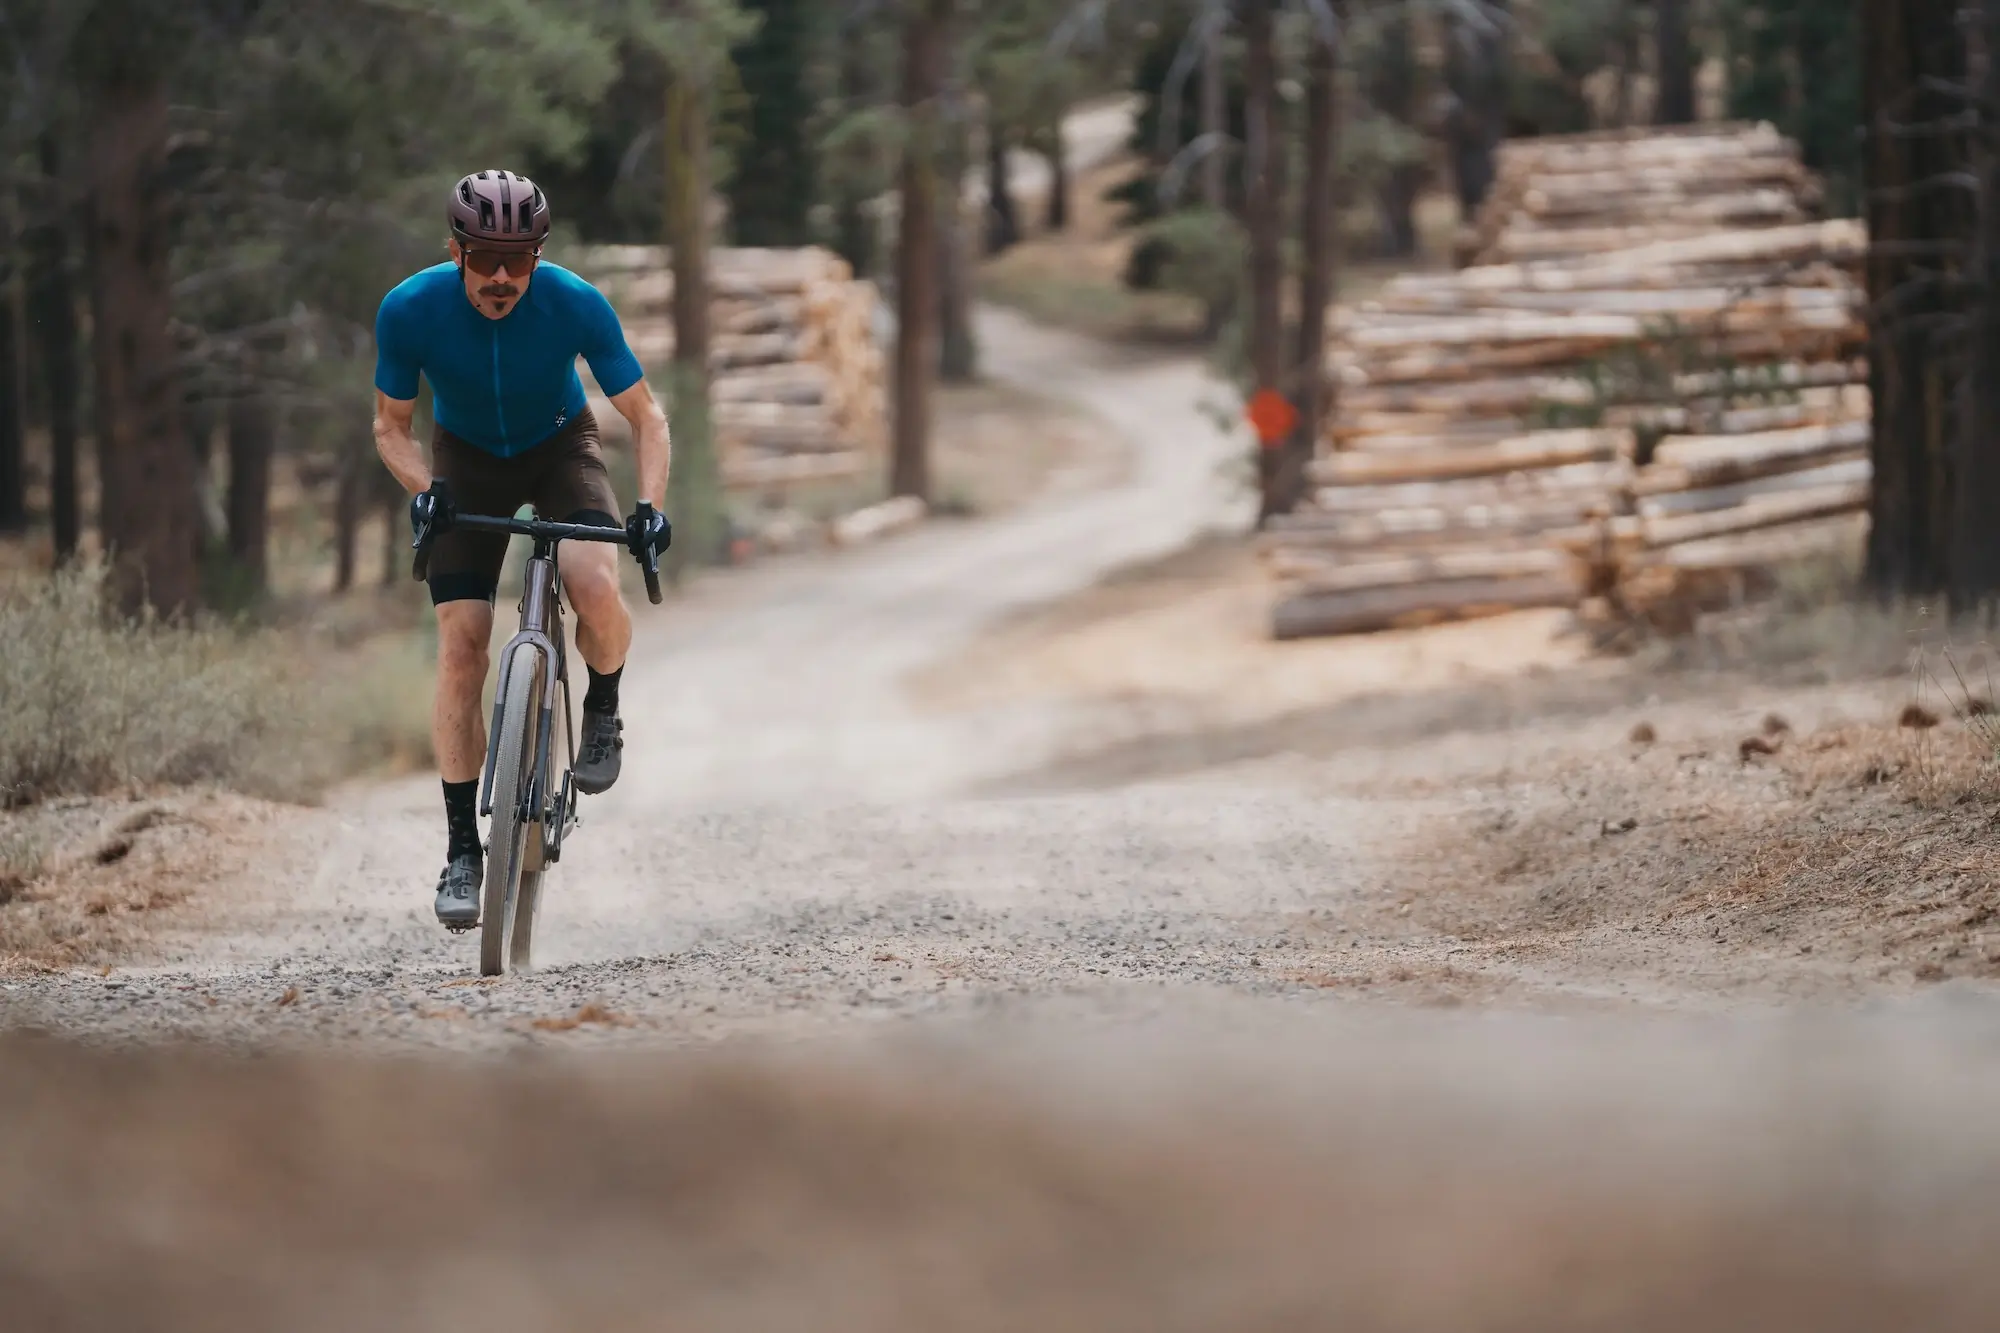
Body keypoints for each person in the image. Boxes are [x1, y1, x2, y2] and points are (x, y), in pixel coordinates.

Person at [372, 170, 671, 928]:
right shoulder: (409, 309)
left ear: (539, 255)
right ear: (456, 252)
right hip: (465, 458)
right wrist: (424, 488)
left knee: (593, 582)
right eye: (484, 260)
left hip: (559, 447)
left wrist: (650, 509)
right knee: (461, 646)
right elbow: (390, 428)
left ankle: (603, 705)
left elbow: (647, 417)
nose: (502, 278)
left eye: (519, 259)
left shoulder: (575, 301)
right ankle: (462, 851)